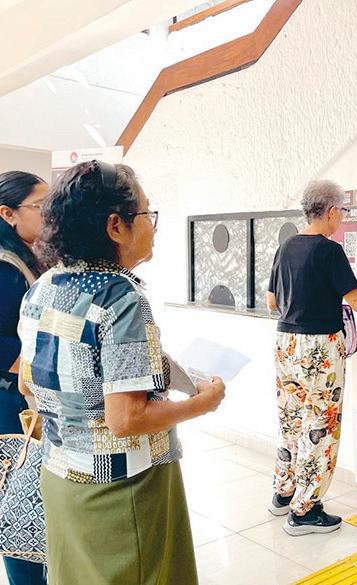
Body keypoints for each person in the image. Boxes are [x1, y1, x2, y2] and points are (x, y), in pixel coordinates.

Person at [16, 161, 225, 585]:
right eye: (147, 214)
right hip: (122, 489)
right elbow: (126, 419)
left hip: (61, 480)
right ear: (116, 226)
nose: (153, 226)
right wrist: (203, 403)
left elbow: (28, 382)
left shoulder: (44, 286)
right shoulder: (122, 297)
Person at [266, 179, 357, 535]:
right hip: (320, 348)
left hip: (286, 342)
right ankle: (305, 510)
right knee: (321, 426)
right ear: (330, 212)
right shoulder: (329, 251)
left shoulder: (286, 246)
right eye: (342, 211)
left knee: (291, 421)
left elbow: (272, 302)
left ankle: (284, 492)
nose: (342, 217)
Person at [0, 171, 48, 585]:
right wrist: (29, 368)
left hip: (22, 397)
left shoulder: (28, 257)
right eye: (40, 206)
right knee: (19, 501)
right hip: (11, 402)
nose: (49, 214)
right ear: (8, 214)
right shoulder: (5, 265)